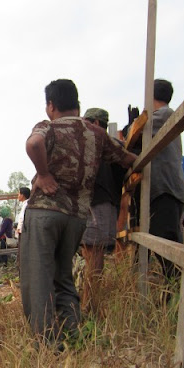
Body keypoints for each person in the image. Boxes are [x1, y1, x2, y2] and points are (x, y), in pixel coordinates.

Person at [21, 79, 136, 346]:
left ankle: (47, 342)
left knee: (38, 278)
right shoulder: (96, 133)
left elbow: (34, 144)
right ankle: (73, 332)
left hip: (45, 212)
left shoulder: (47, 127)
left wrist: (44, 174)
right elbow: (127, 158)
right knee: (63, 276)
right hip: (77, 217)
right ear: (77, 104)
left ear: (51, 105)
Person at [80, 108, 126, 315]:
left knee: (94, 254)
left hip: (99, 203)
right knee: (90, 253)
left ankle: (90, 305)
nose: (85, 125)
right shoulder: (109, 145)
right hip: (96, 204)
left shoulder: (107, 144)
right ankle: (89, 302)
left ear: (97, 123)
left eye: (88, 121)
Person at [147, 79, 184, 281]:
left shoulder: (163, 114)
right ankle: (173, 290)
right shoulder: (165, 115)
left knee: (167, 246)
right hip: (170, 189)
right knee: (167, 243)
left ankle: (177, 289)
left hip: (166, 190)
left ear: (150, 95)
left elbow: (137, 133)